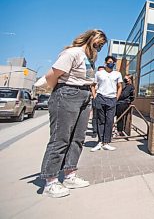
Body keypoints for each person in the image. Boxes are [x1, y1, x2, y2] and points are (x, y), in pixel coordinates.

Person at [40, 29, 107, 198]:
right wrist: (61, 92)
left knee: (78, 138)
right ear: (91, 39)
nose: (99, 48)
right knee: (60, 138)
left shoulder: (90, 59)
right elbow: (51, 77)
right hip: (67, 93)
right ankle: (51, 181)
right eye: (99, 44)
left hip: (84, 96)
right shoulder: (72, 53)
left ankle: (69, 174)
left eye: (102, 46)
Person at [91, 56, 123, 152]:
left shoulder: (117, 74)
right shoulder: (99, 73)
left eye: (113, 62)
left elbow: (120, 86)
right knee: (101, 120)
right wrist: (95, 96)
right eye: (109, 62)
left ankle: (106, 142)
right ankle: (100, 141)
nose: (111, 63)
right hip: (100, 97)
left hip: (111, 99)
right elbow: (93, 85)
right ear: (105, 63)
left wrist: (116, 98)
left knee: (109, 121)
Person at [90, 65, 106, 137]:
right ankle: (95, 131)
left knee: (102, 117)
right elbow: (92, 88)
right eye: (100, 70)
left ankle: (102, 131)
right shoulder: (95, 80)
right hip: (96, 99)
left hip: (104, 100)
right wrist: (94, 96)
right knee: (95, 116)